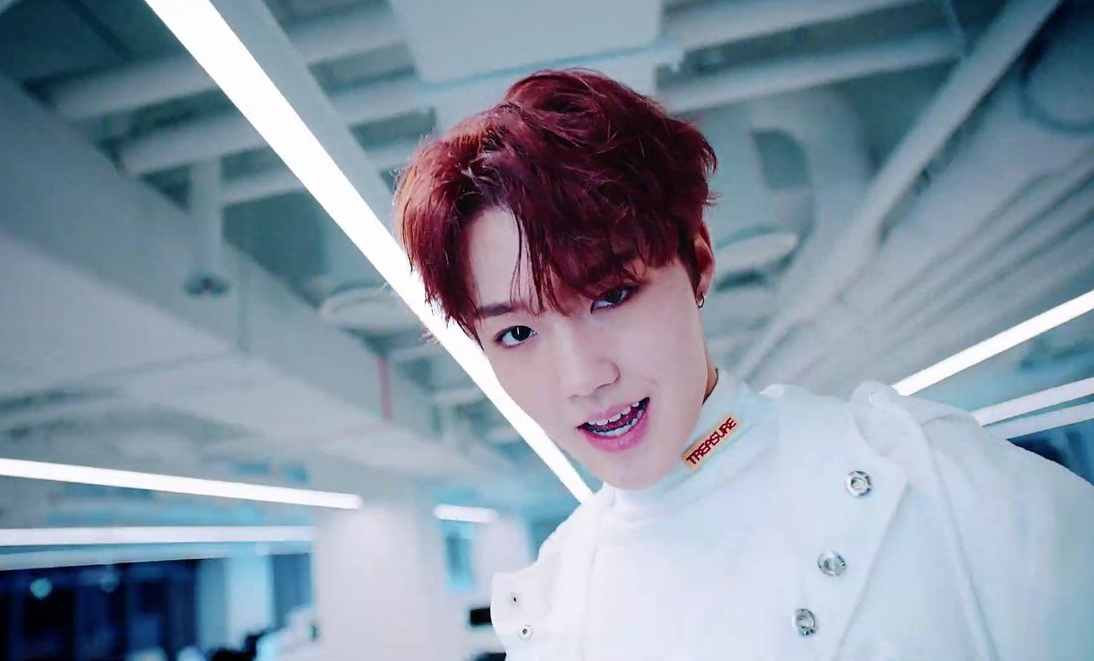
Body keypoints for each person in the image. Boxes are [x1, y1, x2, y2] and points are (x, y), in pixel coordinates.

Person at [392, 69, 1094, 660]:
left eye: (611, 295)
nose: (583, 378)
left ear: (697, 261)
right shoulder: (549, 611)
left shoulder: (934, 483)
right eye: (517, 333)